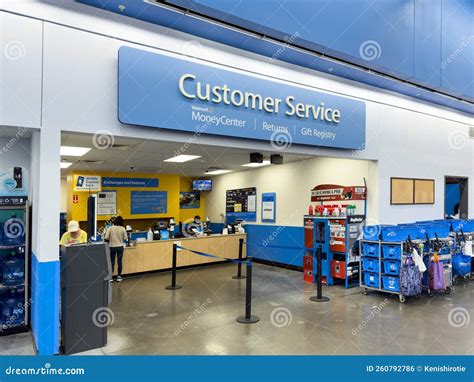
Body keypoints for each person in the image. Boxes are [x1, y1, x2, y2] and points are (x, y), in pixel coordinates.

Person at [105, 216, 128, 282]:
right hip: (120, 247)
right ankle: (119, 277)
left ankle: (110, 277)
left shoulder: (110, 228)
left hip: (112, 247)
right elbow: (125, 238)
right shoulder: (123, 228)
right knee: (119, 262)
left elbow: (106, 238)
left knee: (112, 262)